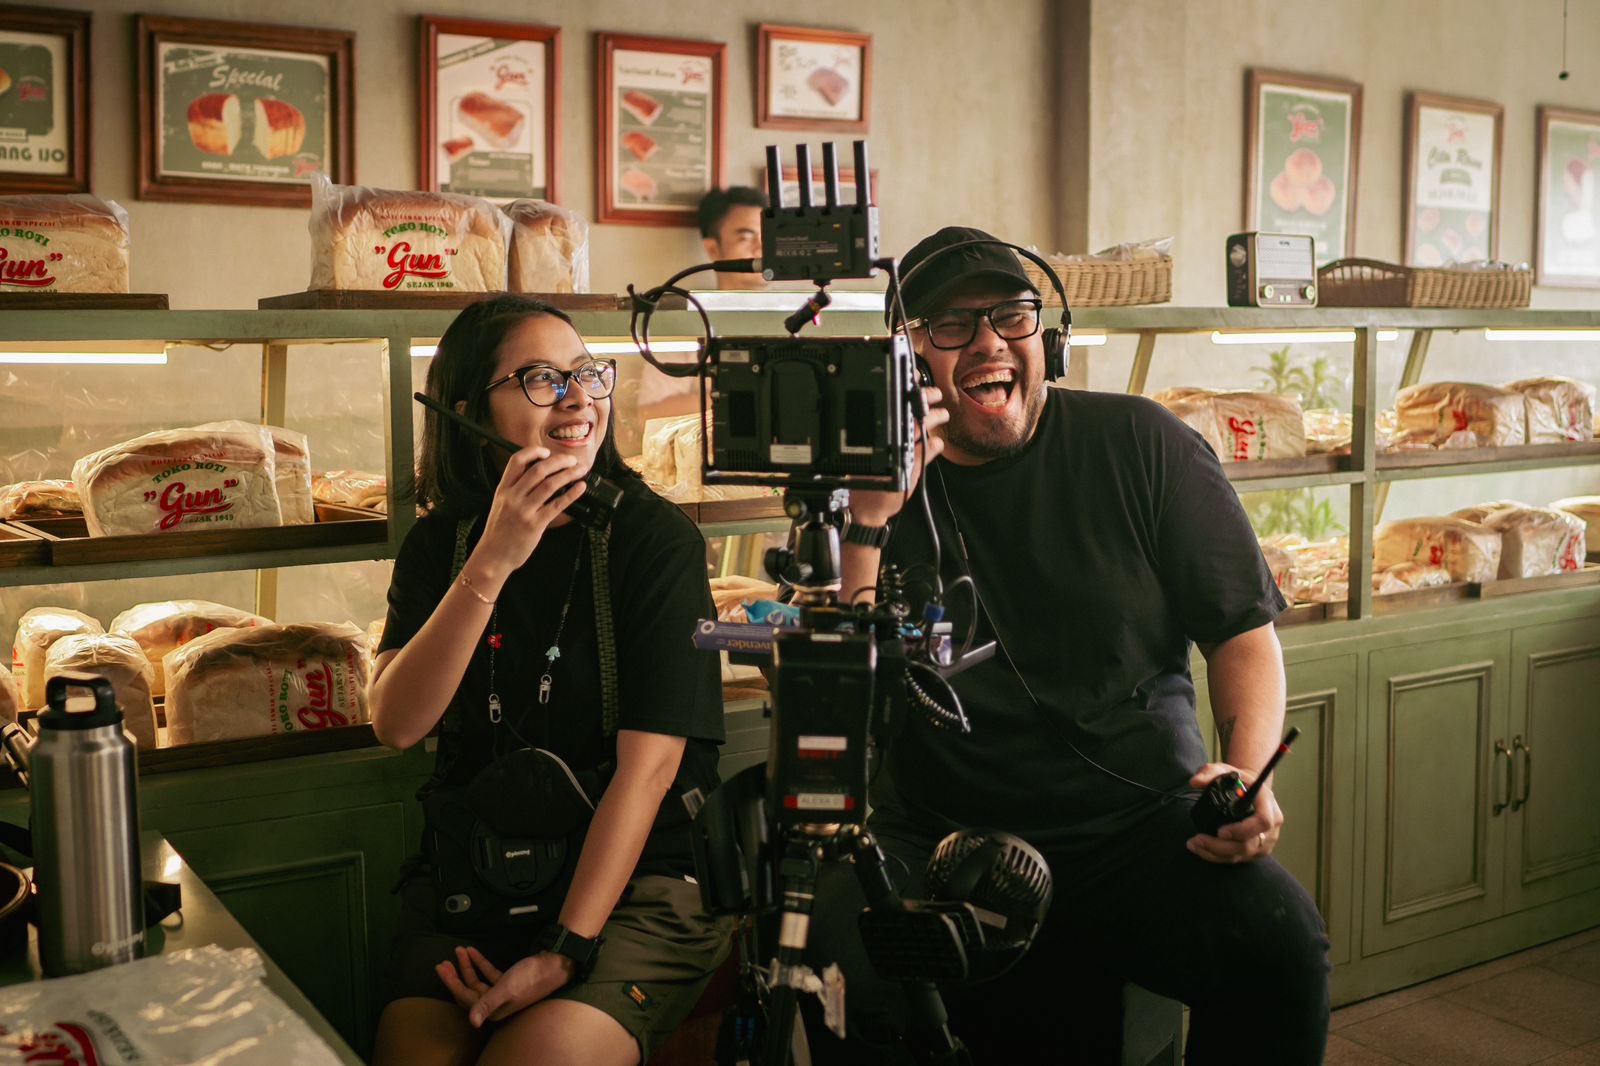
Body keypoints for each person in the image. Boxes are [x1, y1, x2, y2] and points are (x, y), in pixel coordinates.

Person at [802, 227, 1330, 1064]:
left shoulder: (1143, 445)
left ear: (1047, 337)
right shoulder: (877, 481)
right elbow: (838, 697)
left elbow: (1241, 631)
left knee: (1279, 947)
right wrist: (869, 519)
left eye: (1010, 316)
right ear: (909, 359)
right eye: (951, 325)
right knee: (845, 968)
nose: (986, 342)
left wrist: (1246, 766)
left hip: (1136, 824)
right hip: (939, 834)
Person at [368, 295, 733, 1066]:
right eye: (540, 378)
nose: (577, 400)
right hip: (478, 876)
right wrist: (493, 559)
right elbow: (396, 722)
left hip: (633, 884)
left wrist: (565, 949)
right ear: (469, 410)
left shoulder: (655, 541)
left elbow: (652, 771)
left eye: (587, 373)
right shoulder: (443, 544)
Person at [697, 186, 768, 289]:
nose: (761, 248)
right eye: (745, 238)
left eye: (766, 237)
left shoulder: (795, 304)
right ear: (713, 250)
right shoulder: (688, 304)